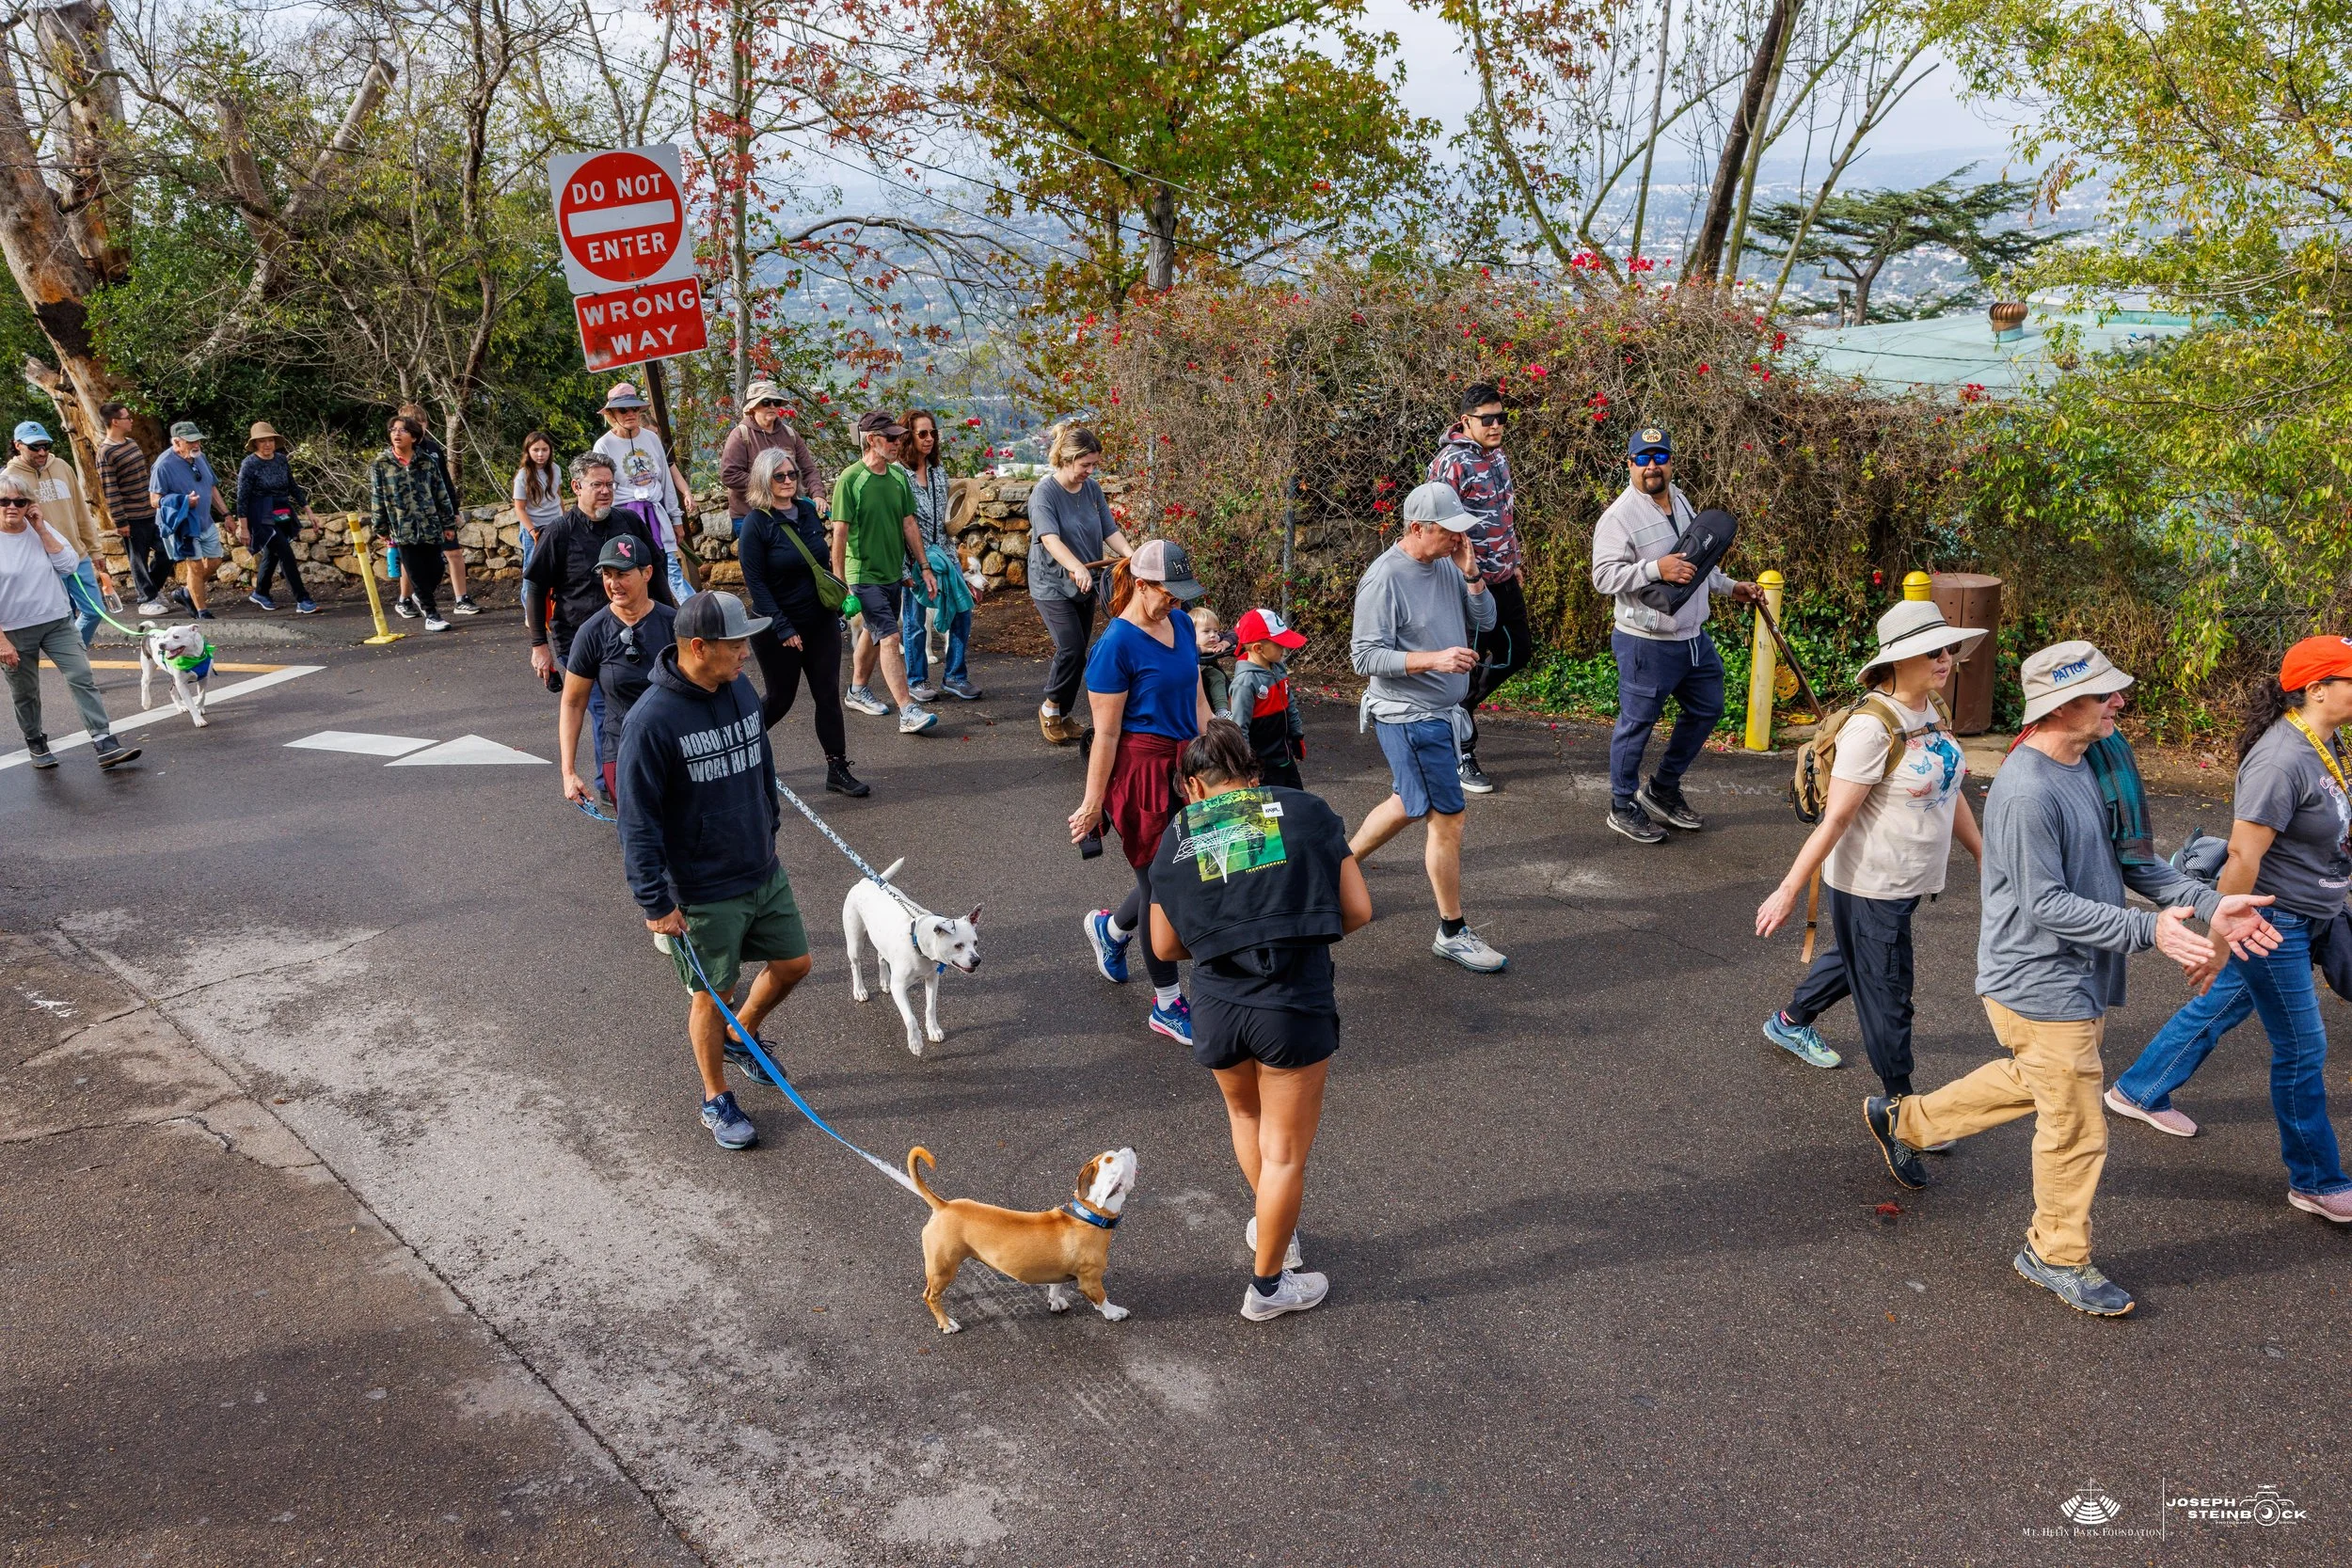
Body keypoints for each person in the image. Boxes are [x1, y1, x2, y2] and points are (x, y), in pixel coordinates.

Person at [1863, 641, 2280, 1317]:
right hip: (2035, 979)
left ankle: (1904, 1119)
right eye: (2106, 692)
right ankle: (2055, 1252)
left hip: (2077, 975)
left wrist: (2210, 903)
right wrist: (2152, 931)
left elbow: (2138, 864)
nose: (2120, 701)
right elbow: (2045, 905)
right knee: (2077, 1121)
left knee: (2037, 1081)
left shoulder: (2095, 761)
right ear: (2063, 705)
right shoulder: (2027, 792)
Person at [2107, 637, 2352, 1222]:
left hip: (2316, 911)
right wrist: (2220, 942)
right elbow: (2242, 859)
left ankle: (2139, 1089)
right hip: (2273, 921)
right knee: (2301, 1048)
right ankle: (2316, 1180)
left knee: (2223, 1007)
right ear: (2318, 691)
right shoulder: (2280, 758)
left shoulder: (2326, 741)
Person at [1149, 719, 1372, 1320]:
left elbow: (1165, 947)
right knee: (1286, 1156)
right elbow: (1359, 909)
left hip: (1217, 1007)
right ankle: (1269, 1288)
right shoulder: (1306, 812)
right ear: (1253, 774)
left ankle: (1277, 1228)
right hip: (1292, 1003)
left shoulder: (1175, 841)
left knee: (1246, 1115)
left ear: (1194, 788)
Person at [1756, 600, 1984, 1086]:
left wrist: (1981, 852)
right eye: (1932, 652)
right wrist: (1789, 889)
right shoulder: (1871, 728)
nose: (1945, 658)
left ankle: (1789, 1023)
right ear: (1898, 660)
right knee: (1890, 998)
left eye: (1950, 648)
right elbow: (1835, 819)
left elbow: (1950, 785)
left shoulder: (1933, 709)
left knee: (1858, 955)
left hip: (1906, 879)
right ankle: (1904, 1111)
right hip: (1871, 883)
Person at [618, 590, 810, 1153]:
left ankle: (741, 1032)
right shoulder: (650, 723)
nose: (747, 652)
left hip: (760, 867)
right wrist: (655, 902)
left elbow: (761, 760)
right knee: (710, 992)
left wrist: (768, 823)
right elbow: (637, 821)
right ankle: (715, 1097)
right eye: (736, 643)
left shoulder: (739, 688)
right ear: (698, 648)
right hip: (701, 889)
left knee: (795, 963)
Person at [1346, 483, 1507, 974]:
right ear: (1417, 528)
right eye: (1448, 530)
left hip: (1439, 714)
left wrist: (1474, 575)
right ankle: (1452, 932)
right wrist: (1434, 659)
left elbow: (1487, 619)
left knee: (1406, 803)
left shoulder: (1446, 564)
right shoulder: (1383, 579)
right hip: (1409, 716)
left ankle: (1338, 865)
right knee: (1448, 818)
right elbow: (1364, 656)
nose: (1458, 537)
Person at [1590, 424, 1763, 845]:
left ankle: (1662, 789)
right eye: (1643, 459)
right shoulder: (1618, 517)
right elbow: (1603, 576)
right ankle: (1621, 805)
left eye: (1660, 457)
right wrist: (1655, 568)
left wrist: (1730, 587)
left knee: (1708, 708)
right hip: (1645, 641)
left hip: (1692, 639)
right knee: (1638, 724)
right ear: (1629, 464)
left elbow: (1699, 563)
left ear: (1670, 461)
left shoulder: (1680, 500)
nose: (1652, 466)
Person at [1075, 540, 1214, 1042]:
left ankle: (1110, 931)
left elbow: (1197, 696)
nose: (1175, 603)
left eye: (1180, 594)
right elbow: (1106, 736)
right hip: (1140, 776)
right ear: (1141, 583)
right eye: (1167, 593)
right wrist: (1093, 805)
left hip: (1187, 765)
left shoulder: (1178, 623)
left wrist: (1222, 754)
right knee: (1163, 889)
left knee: (1183, 871)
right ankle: (1166, 1004)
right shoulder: (1115, 646)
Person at [523, 452, 669, 776]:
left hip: (634, 632)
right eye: (597, 485)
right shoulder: (559, 532)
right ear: (576, 487)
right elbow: (536, 588)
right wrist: (539, 646)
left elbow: (653, 570)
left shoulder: (629, 522)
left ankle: (651, 772)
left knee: (647, 703)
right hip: (580, 639)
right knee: (607, 712)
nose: (605, 491)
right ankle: (612, 783)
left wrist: (674, 620)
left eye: (610, 484)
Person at [736, 446, 865, 798]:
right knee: (780, 699)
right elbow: (756, 583)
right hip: (778, 627)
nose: (789, 481)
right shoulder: (756, 524)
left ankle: (837, 768)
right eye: (780, 476)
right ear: (765, 479)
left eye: (792, 474)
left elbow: (819, 563)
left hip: (819, 620)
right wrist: (782, 626)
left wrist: (836, 603)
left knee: (828, 695)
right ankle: (736, 750)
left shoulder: (807, 513)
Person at [1426, 383, 1528, 794]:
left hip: (1504, 579)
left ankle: (1459, 709)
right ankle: (1460, 752)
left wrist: (1515, 562)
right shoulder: (1450, 463)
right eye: (1487, 419)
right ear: (1465, 421)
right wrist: (1466, 575)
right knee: (1467, 661)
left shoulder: (1498, 456)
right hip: (1469, 586)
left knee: (1517, 652)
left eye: (1501, 417)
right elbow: (1437, 526)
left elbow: (1505, 513)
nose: (1496, 425)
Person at [0, 472, 139, 769]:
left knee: (80, 675)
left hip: (56, 621)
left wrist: (41, 529)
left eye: (19, 501)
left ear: (29, 505)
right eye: (4, 501)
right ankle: (36, 742)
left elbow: (68, 565)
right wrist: (2, 641)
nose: (12, 507)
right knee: (25, 693)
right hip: (12, 630)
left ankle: (105, 742)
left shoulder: (40, 529)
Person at [831, 409, 939, 735]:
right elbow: (839, 533)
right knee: (890, 638)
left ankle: (857, 690)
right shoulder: (850, 480)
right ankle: (908, 711)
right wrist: (840, 583)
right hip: (862, 575)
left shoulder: (897, 478)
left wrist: (923, 566)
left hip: (893, 573)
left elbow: (909, 523)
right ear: (871, 440)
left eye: (899, 436)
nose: (898, 442)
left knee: (873, 634)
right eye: (890, 438)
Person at [1028, 423, 1132, 745]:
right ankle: (1049, 707)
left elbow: (1108, 530)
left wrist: (1133, 555)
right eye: (1085, 465)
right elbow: (1049, 538)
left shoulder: (1092, 489)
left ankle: (1063, 712)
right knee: (1070, 647)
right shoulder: (1044, 494)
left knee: (1079, 652)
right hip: (1052, 583)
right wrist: (1076, 567)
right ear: (1066, 459)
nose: (1090, 471)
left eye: (1094, 465)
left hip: (1087, 582)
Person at [560, 534, 677, 807]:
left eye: (622, 574)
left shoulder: (675, 624)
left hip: (676, 750)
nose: (613, 584)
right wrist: (568, 772)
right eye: (607, 575)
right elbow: (573, 702)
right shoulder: (592, 632)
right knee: (643, 840)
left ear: (647, 573)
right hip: (623, 755)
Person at [6, 421, 115, 644]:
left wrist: (95, 550)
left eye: (45, 445)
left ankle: (75, 653)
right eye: (35, 447)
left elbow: (80, 511)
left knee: (95, 611)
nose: (42, 452)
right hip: (41, 561)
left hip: (76, 554)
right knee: (61, 618)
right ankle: (73, 663)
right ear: (18, 445)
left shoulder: (62, 467)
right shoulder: (8, 478)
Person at [898, 408, 977, 703]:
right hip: (914, 559)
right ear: (908, 436)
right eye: (922, 433)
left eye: (932, 432)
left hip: (945, 554)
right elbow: (902, 523)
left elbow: (946, 515)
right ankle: (916, 682)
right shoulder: (899, 475)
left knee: (962, 612)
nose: (929, 439)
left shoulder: (938, 471)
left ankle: (955, 676)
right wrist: (913, 564)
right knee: (915, 621)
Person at [596, 383, 696, 604]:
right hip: (624, 516)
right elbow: (602, 488)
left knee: (664, 568)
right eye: (623, 410)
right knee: (632, 571)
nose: (630, 413)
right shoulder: (603, 445)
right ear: (612, 414)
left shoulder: (651, 439)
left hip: (655, 514)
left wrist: (675, 518)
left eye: (634, 408)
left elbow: (666, 482)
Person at [368, 415, 460, 632]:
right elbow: (377, 496)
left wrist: (448, 524)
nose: (397, 434)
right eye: (393, 430)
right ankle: (432, 615)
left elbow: (441, 494)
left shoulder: (427, 461)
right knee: (415, 571)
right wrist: (380, 526)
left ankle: (422, 596)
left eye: (402, 430)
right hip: (402, 528)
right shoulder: (381, 463)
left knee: (436, 569)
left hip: (430, 525)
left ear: (415, 437)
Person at [394, 402, 476, 617]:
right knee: (411, 560)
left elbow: (445, 481)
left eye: (423, 423)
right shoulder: (401, 453)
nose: (421, 427)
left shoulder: (433, 449)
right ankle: (405, 599)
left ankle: (461, 599)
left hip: (441, 512)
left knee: (454, 553)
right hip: (414, 518)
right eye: (414, 424)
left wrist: (454, 509)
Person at [234, 421, 321, 614]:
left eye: (270, 440)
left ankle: (261, 592)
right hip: (260, 515)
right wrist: (245, 527)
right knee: (285, 553)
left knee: (272, 554)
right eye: (262, 441)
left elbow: (293, 486)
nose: (267, 444)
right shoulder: (249, 464)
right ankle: (303, 599)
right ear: (255, 444)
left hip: (282, 512)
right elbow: (242, 498)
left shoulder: (281, 460)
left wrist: (309, 511)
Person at [149, 420, 231, 620]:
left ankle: (187, 593)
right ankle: (202, 612)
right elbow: (154, 501)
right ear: (176, 442)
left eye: (198, 441)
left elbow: (211, 487)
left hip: (206, 521)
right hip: (183, 525)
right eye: (190, 441)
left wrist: (226, 514)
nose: (196, 445)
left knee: (215, 561)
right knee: (194, 566)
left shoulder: (199, 457)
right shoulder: (163, 465)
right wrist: (183, 501)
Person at [718, 380, 824, 534]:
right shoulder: (740, 435)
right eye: (766, 402)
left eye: (776, 402)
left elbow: (808, 470)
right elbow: (729, 475)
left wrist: (818, 494)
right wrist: (770, 483)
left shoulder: (790, 434)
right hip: (749, 515)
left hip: (788, 512)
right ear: (753, 407)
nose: (772, 406)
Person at [97, 403, 168, 617]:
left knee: (167, 552)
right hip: (131, 517)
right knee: (138, 558)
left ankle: (152, 590)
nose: (131, 420)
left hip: (150, 511)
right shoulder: (105, 452)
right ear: (115, 422)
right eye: (127, 417)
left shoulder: (131, 443)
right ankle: (146, 599)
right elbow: (110, 489)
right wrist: (120, 521)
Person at [1227, 607, 1308, 789]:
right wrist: (1248, 770)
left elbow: (1290, 704)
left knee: (1297, 804)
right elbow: (1240, 731)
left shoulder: (1277, 668)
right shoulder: (1245, 683)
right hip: (1262, 769)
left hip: (1285, 759)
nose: (1285, 648)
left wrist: (1297, 736)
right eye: (1279, 644)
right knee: (1272, 815)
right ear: (1258, 648)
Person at [511, 430, 564, 574]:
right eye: (536, 450)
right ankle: (529, 597)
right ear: (528, 451)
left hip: (555, 525)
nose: (540, 454)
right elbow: (519, 508)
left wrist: (564, 519)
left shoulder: (556, 469)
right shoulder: (523, 476)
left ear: (550, 451)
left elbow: (558, 496)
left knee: (556, 567)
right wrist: (533, 532)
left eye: (544, 450)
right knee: (533, 570)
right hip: (533, 528)